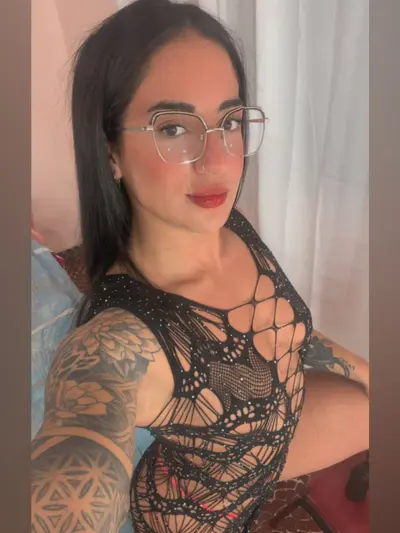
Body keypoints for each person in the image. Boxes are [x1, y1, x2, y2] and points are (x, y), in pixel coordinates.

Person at [30, 1, 369, 532]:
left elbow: (285, 328)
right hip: (196, 516)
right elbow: (78, 456)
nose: (218, 162)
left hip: (260, 453)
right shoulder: (117, 344)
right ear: (110, 150)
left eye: (229, 121)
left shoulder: (228, 224)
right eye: (172, 128)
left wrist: (371, 373)